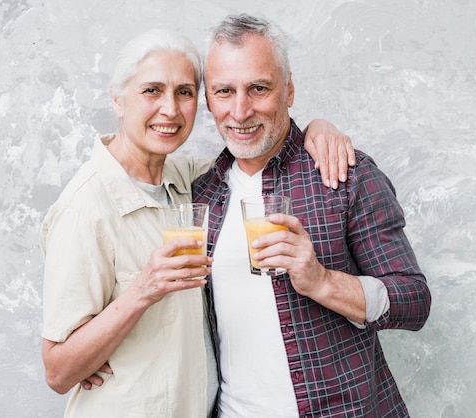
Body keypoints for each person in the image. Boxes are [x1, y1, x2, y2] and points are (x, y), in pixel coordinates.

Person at [39, 28, 355, 418]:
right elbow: (57, 371)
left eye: (184, 92)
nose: (170, 109)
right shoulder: (86, 207)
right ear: (117, 100)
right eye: (151, 90)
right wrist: (142, 290)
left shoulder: (191, 179)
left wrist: (317, 129)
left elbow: (256, 155)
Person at [192, 14, 432, 417]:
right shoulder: (202, 193)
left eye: (259, 88)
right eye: (223, 91)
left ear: (288, 89)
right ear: (208, 99)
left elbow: (414, 301)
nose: (240, 110)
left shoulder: (344, 174)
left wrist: (321, 281)